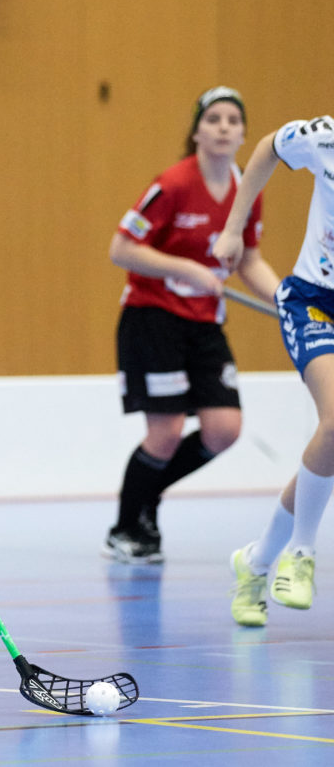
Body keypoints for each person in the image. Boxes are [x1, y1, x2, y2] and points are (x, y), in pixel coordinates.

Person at [105, 86, 281, 564]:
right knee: (164, 433)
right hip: (152, 318)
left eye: (233, 120)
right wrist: (185, 269)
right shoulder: (174, 184)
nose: (224, 127)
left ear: (244, 133)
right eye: (214, 119)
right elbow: (121, 249)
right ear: (197, 130)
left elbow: (250, 260)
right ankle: (127, 526)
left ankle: (147, 499)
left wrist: (288, 298)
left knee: (224, 428)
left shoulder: (248, 190)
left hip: (204, 324)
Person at [214, 113, 334, 627]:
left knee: (330, 446)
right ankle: (301, 553)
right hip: (312, 300)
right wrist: (233, 229)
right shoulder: (325, 137)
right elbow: (266, 148)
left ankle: (257, 561)